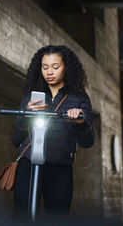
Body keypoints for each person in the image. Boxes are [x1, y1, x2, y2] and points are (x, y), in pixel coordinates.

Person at [12, 45, 95, 219]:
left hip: (60, 167)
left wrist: (80, 122)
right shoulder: (31, 98)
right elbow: (16, 138)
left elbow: (88, 141)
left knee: (57, 219)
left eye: (55, 67)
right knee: (22, 217)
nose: (50, 72)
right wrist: (27, 115)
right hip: (29, 164)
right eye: (45, 67)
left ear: (66, 68)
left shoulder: (79, 98)